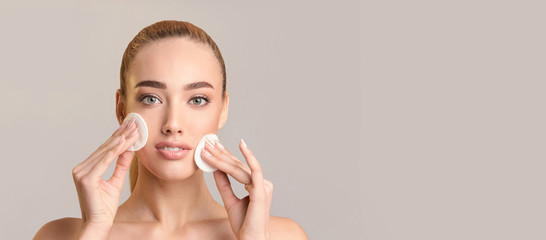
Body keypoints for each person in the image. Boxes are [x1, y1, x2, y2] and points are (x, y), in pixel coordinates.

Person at [34, 20, 308, 240]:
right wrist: (94, 231)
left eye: (197, 100)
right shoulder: (60, 236)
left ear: (223, 109)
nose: (173, 124)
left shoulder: (283, 236)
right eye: (151, 99)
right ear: (121, 109)